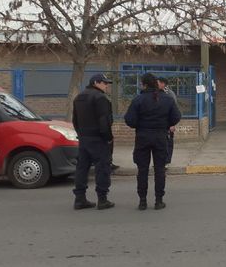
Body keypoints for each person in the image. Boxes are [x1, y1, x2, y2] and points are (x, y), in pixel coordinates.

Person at [125, 73, 181, 210]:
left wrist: (140, 124)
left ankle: (142, 201)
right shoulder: (167, 99)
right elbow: (176, 117)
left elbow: (130, 120)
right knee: (159, 170)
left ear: (144, 84)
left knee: (142, 170)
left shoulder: (138, 99)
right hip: (160, 137)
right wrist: (166, 124)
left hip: (143, 137)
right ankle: (159, 200)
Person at [71, 74, 115, 210]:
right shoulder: (100, 98)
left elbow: (75, 120)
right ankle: (102, 199)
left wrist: (81, 134)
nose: (106, 85)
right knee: (102, 168)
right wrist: (108, 138)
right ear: (96, 82)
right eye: (104, 83)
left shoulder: (79, 97)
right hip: (98, 139)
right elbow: (104, 121)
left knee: (82, 168)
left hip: (84, 139)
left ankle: (80, 198)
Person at [157, 77, 177, 166]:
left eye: (157, 83)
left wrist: (172, 124)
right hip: (161, 124)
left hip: (168, 123)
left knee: (168, 143)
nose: (156, 85)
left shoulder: (169, 94)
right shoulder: (157, 93)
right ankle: (162, 161)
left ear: (162, 84)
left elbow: (174, 110)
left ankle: (166, 161)